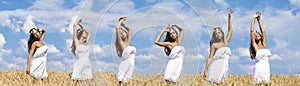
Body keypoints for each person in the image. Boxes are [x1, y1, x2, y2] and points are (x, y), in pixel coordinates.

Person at [203, 9, 233, 84]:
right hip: (216, 64)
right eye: (216, 34)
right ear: (215, 36)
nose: (218, 34)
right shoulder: (214, 45)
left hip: (224, 64)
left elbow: (230, 31)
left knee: (221, 82)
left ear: (222, 34)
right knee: (214, 82)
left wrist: (229, 17)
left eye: (219, 33)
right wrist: (205, 70)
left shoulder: (225, 42)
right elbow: (210, 57)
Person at [249, 11, 272, 84]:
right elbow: (251, 31)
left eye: (258, 34)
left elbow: (263, 31)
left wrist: (259, 20)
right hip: (259, 67)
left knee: (266, 83)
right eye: (255, 35)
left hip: (266, 67)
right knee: (258, 83)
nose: (257, 35)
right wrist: (253, 19)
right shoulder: (255, 46)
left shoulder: (264, 44)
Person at [115, 16, 136, 85]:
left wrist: (122, 24)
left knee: (128, 81)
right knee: (122, 81)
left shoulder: (129, 41)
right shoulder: (121, 43)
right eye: (120, 33)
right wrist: (120, 21)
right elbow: (117, 28)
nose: (122, 33)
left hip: (131, 63)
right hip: (125, 63)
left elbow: (129, 29)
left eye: (123, 32)